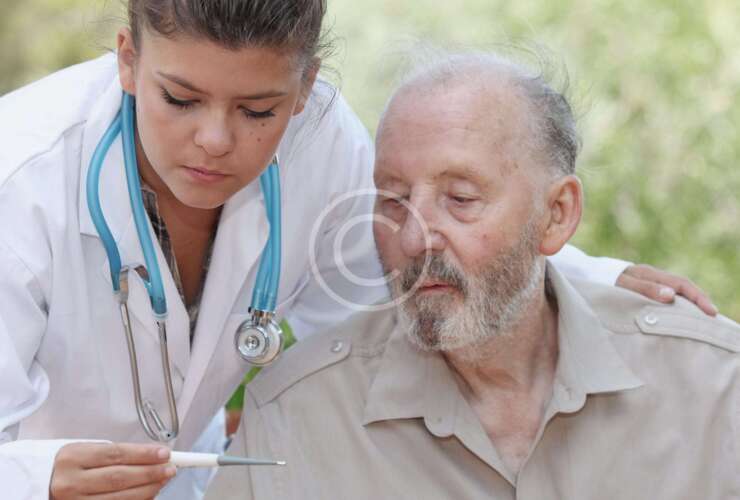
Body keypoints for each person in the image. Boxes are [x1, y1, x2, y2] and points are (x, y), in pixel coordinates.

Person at [0, 1, 713, 497]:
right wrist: (34, 479)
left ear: (305, 87)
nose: (215, 140)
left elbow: (421, 249)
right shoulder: (21, 180)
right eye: (180, 99)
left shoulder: (320, 142)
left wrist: (597, 274)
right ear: (128, 60)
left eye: (258, 110)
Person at [206, 50, 739, 500]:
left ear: (556, 215)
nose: (413, 239)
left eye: (460, 199)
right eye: (393, 201)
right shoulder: (296, 416)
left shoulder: (715, 386)